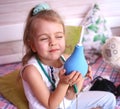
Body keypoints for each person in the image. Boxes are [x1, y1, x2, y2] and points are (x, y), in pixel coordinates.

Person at [20, 3, 116, 109]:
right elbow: (50, 105)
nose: (53, 42)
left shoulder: (65, 59)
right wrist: (63, 83)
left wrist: (80, 75)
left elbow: (70, 96)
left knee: (109, 98)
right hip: (50, 106)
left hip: (67, 104)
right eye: (44, 38)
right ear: (33, 45)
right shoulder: (31, 71)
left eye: (58, 36)